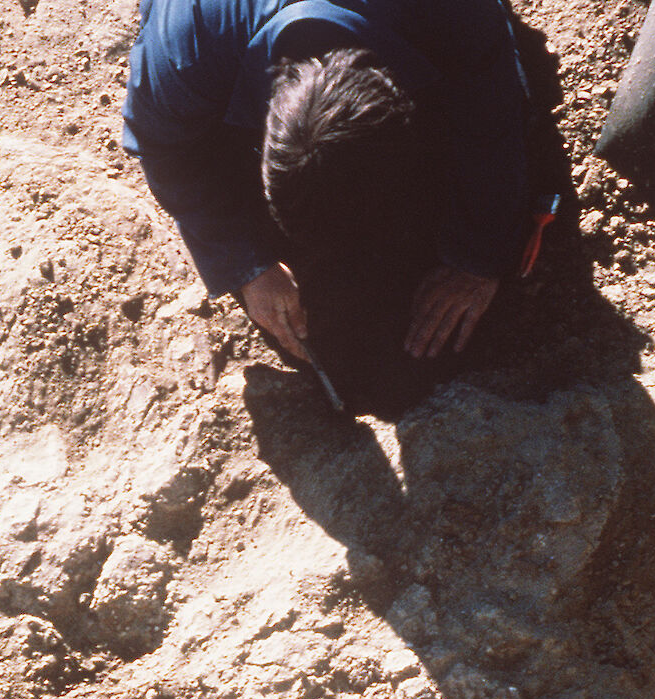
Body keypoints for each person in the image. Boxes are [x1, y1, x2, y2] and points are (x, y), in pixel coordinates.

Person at [122, 0, 532, 416]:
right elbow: (165, 149)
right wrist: (248, 265)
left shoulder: (456, 14)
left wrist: (480, 258)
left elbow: (495, 114)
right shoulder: (184, 46)